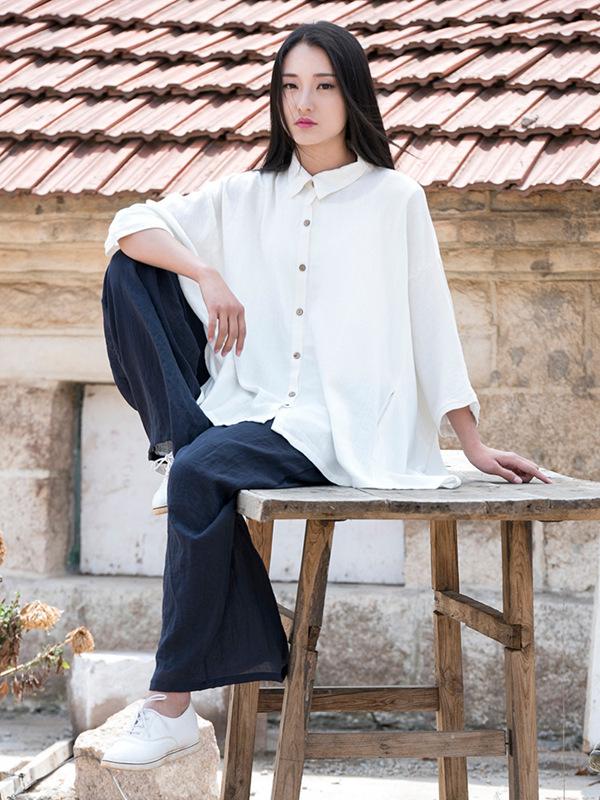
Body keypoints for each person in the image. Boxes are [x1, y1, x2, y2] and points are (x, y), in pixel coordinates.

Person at [99, 21, 552, 772]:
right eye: (289, 87)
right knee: (130, 272)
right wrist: (206, 273)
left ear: (353, 96)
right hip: (249, 406)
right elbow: (129, 225)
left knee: (199, 475)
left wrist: (470, 442)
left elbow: (431, 320)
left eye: (323, 86)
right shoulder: (247, 194)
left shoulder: (394, 198)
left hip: (338, 424)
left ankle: (170, 704)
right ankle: (185, 443)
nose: (303, 103)